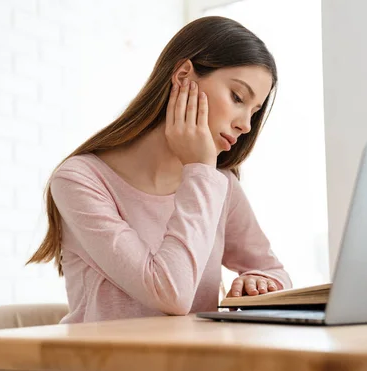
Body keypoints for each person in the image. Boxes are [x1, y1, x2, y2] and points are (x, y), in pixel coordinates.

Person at [27, 16, 292, 324]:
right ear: (183, 76)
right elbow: (171, 293)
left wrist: (259, 281)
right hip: (106, 367)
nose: (245, 125)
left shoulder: (220, 185)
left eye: (254, 112)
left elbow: (275, 271)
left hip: (194, 366)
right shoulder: (80, 180)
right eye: (237, 97)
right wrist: (199, 169)